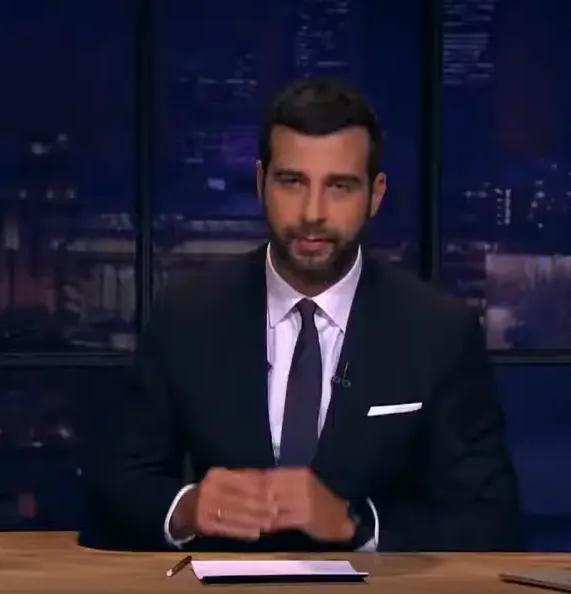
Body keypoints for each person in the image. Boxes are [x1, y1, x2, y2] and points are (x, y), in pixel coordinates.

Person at [85, 78, 522, 553]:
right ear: (261, 183)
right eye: (292, 182)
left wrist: (356, 525)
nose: (313, 212)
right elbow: (117, 485)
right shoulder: (187, 316)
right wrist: (187, 508)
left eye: (339, 186)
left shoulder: (438, 331)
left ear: (375, 195)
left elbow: (490, 517)